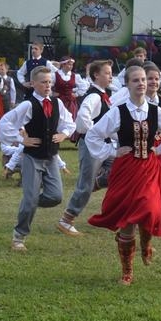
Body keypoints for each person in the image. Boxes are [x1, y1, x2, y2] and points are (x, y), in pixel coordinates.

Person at [85, 65, 161, 285]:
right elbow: (93, 135)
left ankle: (146, 243)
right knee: (128, 218)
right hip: (125, 169)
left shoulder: (156, 111)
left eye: (143, 80)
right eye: (136, 80)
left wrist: (160, 149)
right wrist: (112, 151)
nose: (141, 84)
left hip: (149, 167)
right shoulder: (118, 111)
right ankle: (127, 271)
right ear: (127, 84)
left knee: (149, 208)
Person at [0, 66, 76, 252]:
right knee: (30, 199)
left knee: (56, 196)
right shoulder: (28, 105)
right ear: (33, 84)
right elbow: (4, 123)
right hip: (32, 157)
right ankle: (19, 236)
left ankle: (30, 202)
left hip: (51, 156)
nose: (48, 85)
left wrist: (64, 134)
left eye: (50, 82)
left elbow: (69, 122)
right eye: (43, 82)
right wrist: (21, 139)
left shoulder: (57, 103)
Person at [57, 59, 116, 236]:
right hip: (92, 146)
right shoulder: (94, 96)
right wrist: (94, 134)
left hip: (103, 145)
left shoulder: (104, 95)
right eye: (107, 73)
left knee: (119, 169)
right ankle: (66, 220)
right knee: (85, 184)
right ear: (96, 75)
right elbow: (82, 120)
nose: (110, 76)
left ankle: (100, 188)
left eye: (111, 73)